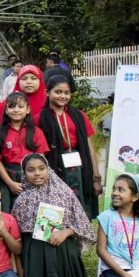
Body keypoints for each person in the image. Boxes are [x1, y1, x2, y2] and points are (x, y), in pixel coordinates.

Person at [11, 154, 94, 277]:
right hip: (34, 249)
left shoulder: (64, 192)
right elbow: (17, 235)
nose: (37, 173)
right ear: (24, 173)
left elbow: (83, 223)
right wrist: (19, 267)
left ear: (48, 169)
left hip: (61, 246)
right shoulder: (21, 200)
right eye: (31, 170)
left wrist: (66, 232)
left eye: (41, 168)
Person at [39, 75, 102, 220]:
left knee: (81, 207)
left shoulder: (79, 116)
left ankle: (80, 240)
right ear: (47, 93)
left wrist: (96, 178)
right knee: (58, 208)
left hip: (80, 168)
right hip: (55, 166)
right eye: (58, 92)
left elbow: (89, 147)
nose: (63, 96)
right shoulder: (40, 118)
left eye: (66, 93)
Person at [0, 92, 50, 212]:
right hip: (6, 176)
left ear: (28, 109)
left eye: (20, 106)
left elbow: (41, 159)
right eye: (12, 107)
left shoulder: (36, 132)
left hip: (32, 175)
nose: (16, 110)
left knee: (31, 210)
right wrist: (10, 183)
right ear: (6, 110)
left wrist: (34, 178)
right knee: (7, 209)